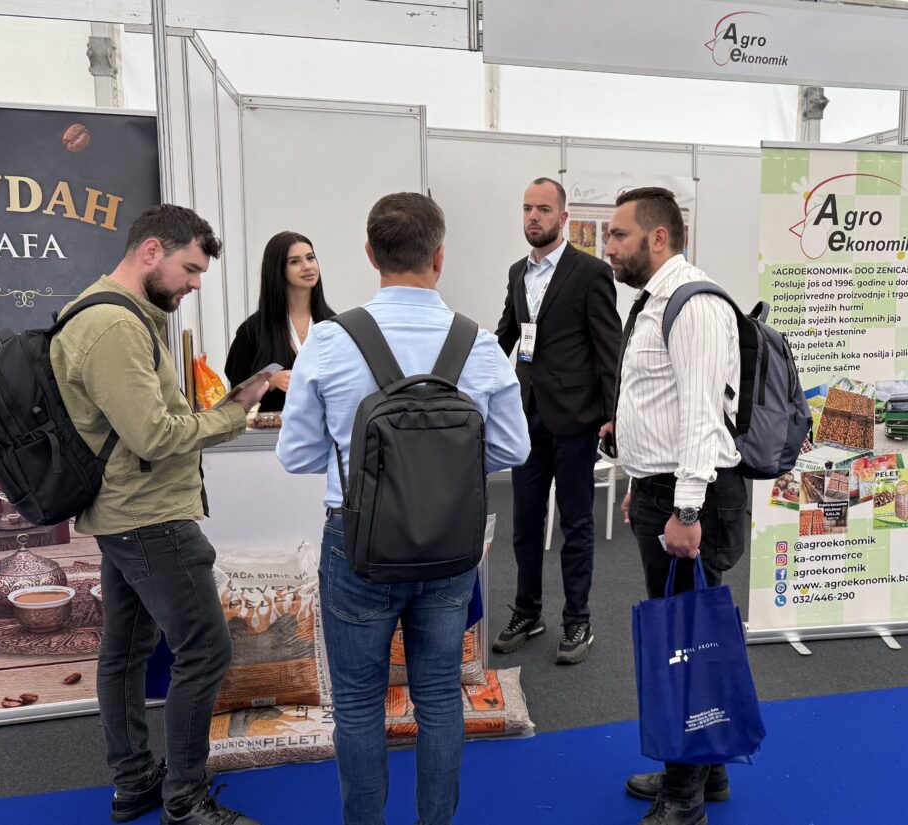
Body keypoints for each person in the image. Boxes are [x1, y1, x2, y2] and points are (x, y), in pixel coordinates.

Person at [277, 192, 529, 825]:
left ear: (369, 254)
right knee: (440, 695)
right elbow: (512, 448)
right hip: (450, 544)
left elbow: (296, 455)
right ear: (439, 256)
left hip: (356, 543)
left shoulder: (330, 341)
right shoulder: (478, 344)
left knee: (359, 704)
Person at [50, 205, 267, 825]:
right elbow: (152, 435)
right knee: (204, 651)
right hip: (150, 519)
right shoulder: (115, 326)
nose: (195, 284)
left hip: (124, 515)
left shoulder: (104, 313)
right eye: (190, 269)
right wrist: (234, 412)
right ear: (151, 251)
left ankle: (135, 784)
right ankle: (185, 800)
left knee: (126, 652)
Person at [601, 187, 747, 825]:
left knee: (685, 643)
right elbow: (663, 407)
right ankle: (707, 772)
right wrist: (641, 479)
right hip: (663, 487)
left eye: (618, 235)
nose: (608, 247)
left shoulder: (694, 304)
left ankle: (684, 799)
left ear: (657, 238)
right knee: (689, 634)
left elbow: (700, 418)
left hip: (692, 496)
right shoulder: (655, 301)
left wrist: (686, 511)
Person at [493, 177, 621, 664]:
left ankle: (577, 620)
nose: (534, 216)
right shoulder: (517, 272)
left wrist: (612, 415)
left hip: (575, 419)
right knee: (525, 523)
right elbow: (505, 336)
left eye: (544, 209)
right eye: (528, 208)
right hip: (525, 418)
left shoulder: (590, 272)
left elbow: (608, 348)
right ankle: (528, 612)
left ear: (563, 218)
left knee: (576, 523)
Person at [225, 230, 336, 412]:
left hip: (326, 425)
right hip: (273, 428)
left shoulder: (333, 325)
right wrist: (270, 382)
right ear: (277, 269)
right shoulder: (252, 330)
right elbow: (235, 397)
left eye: (310, 258)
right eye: (295, 262)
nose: (307, 266)